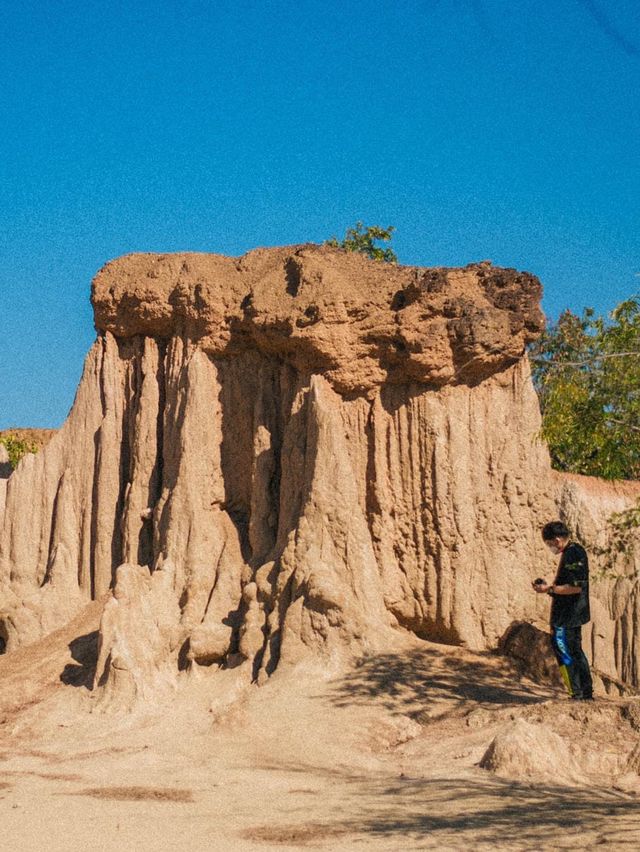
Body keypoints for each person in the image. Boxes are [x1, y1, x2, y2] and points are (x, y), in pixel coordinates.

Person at [533, 521, 594, 701]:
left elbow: (576, 588)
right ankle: (585, 692)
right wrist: (551, 588)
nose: (551, 547)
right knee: (575, 650)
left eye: (550, 544)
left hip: (567, 617)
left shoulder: (573, 554)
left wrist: (549, 589)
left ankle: (576, 692)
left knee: (564, 651)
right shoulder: (574, 551)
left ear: (558, 540)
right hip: (571, 614)